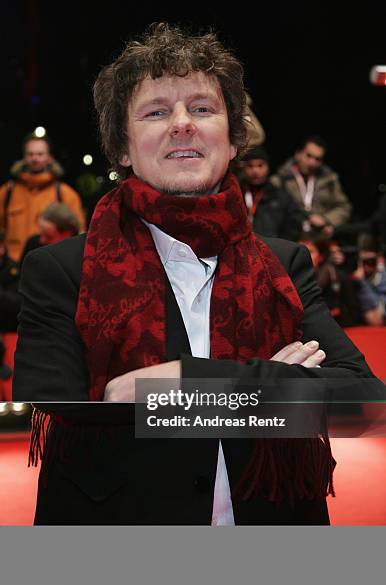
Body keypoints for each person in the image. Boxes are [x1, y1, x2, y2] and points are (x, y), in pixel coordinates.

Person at [13, 23, 379, 526]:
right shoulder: (59, 269)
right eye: (157, 111)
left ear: (233, 142)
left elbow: (363, 401)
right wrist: (277, 383)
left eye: (202, 109)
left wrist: (186, 383)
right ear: (122, 147)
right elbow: (64, 401)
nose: (182, 124)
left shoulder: (285, 262)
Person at [0, 134, 86, 261]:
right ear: (24, 157)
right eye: (30, 154)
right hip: (13, 266)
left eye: (40, 154)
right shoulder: (7, 192)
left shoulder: (65, 194)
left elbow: (78, 233)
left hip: (52, 263)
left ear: (49, 157)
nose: (35, 158)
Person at [271, 136, 352, 236]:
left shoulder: (329, 180)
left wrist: (326, 219)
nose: (312, 162)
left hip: (320, 237)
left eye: (318, 159)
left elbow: (343, 207)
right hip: (289, 238)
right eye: (308, 156)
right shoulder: (280, 180)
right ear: (298, 154)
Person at [238, 145, 302, 241]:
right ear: (243, 168)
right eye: (250, 166)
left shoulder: (280, 196)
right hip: (241, 248)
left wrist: (281, 246)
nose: (255, 171)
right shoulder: (235, 194)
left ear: (268, 167)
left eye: (260, 165)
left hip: (272, 250)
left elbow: (294, 224)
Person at [352, 234, 386, 326]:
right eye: (363, 262)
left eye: (371, 262)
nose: (366, 267)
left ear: (380, 259)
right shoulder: (353, 276)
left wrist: (363, 283)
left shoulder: (383, 276)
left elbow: (377, 319)